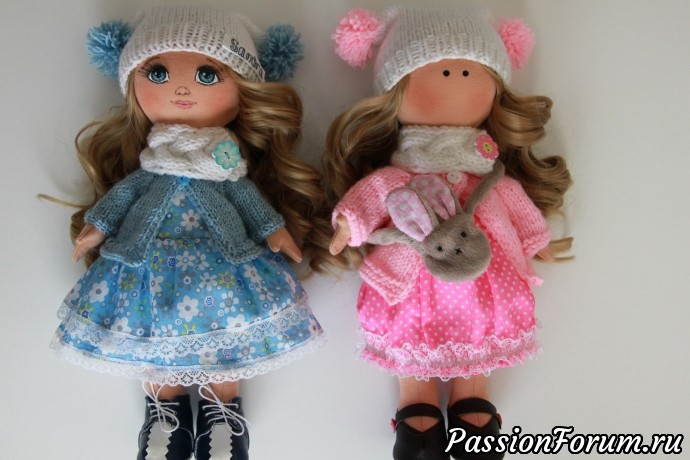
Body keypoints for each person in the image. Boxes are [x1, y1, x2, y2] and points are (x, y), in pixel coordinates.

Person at [50, 6, 337, 459]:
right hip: (146, 266)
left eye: (208, 75)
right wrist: (96, 228)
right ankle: (164, 410)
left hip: (224, 266)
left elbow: (247, 199)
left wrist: (275, 231)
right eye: (157, 73)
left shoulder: (227, 167)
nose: (181, 88)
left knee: (227, 335)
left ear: (243, 92)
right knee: (154, 334)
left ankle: (223, 410)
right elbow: (123, 196)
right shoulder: (149, 170)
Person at [324, 7, 572, 460]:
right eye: (439, 70)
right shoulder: (399, 176)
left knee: (485, 325)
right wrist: (349, 224)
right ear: (394, 92)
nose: (455, 79)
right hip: (411, 279)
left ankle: (472, 398)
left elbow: (515, 203)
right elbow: (372, 196)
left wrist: (537, 240)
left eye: (471, 72)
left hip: (483, 271)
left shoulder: (488, 174)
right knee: (407, 328)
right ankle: (415, 404)